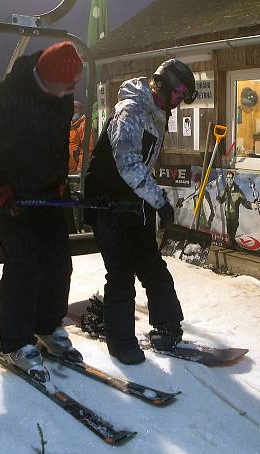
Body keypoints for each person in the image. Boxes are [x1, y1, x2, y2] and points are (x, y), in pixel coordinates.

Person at [0, 41, 83, 378]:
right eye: (65, 86)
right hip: (13, 198)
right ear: (47, 78)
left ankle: (47, 325)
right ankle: (15, 342)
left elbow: (54, 143)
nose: (70, 92)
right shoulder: (7, 98)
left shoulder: (62, 96)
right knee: (22, 269)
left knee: (57, 264)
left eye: (73, 86)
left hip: (48, 196)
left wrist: (60, 179)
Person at [83, 58, 197, 365]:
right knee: (120, 272)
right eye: (178, 92)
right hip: (106, 202)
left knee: (151, 264)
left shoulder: (156, 113)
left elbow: (141, 169)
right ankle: (121, 343)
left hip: (132, 202)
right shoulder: (130, 111)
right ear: (163, 85)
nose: (178, 100)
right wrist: (159, 199)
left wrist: (152, 201)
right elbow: (129, 164)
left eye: (183, 95)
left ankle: (167, 325)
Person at [216, 170, 260, 250]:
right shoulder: (225, 190)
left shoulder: (238, 192)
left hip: (234, 217)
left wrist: (253, 205)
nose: (229, 180)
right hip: (228, 216)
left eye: (231, 178)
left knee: (233, 233)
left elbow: (245, 203)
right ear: (226, 179)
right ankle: (231, 246)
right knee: (230, 234)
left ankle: (233, 246)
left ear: (233, 179)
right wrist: (218, 198)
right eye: (228, 178)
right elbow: (221, 200)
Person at [68, 100, 93, 174]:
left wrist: (80, 168)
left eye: (76, 108)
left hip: (76, 171)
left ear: (80, 110)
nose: (73, 110)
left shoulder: (84, 124)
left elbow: (87, 149)